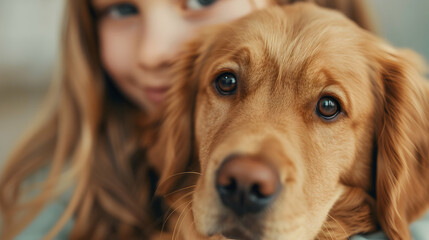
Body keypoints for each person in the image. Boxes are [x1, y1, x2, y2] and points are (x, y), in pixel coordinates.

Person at [0, 0, 378, 239]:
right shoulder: (52, 194)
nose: (153, 52)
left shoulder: (378, 83)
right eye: (227, 83)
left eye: (328, 106)